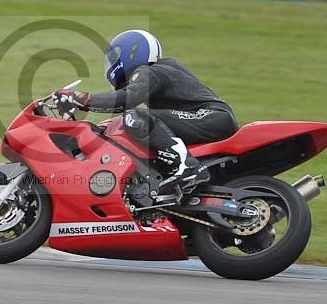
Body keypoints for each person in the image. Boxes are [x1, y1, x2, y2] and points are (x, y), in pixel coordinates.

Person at [52, 29, 239, 191]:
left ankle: (188, 167)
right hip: (204, 119)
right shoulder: (153, 72)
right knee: (128, 124)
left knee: (134, 116)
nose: (111, 65)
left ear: (132, 51)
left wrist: (82, 99)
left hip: (211, 116)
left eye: (114, 58)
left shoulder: (149, 70)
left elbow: (128, 99)